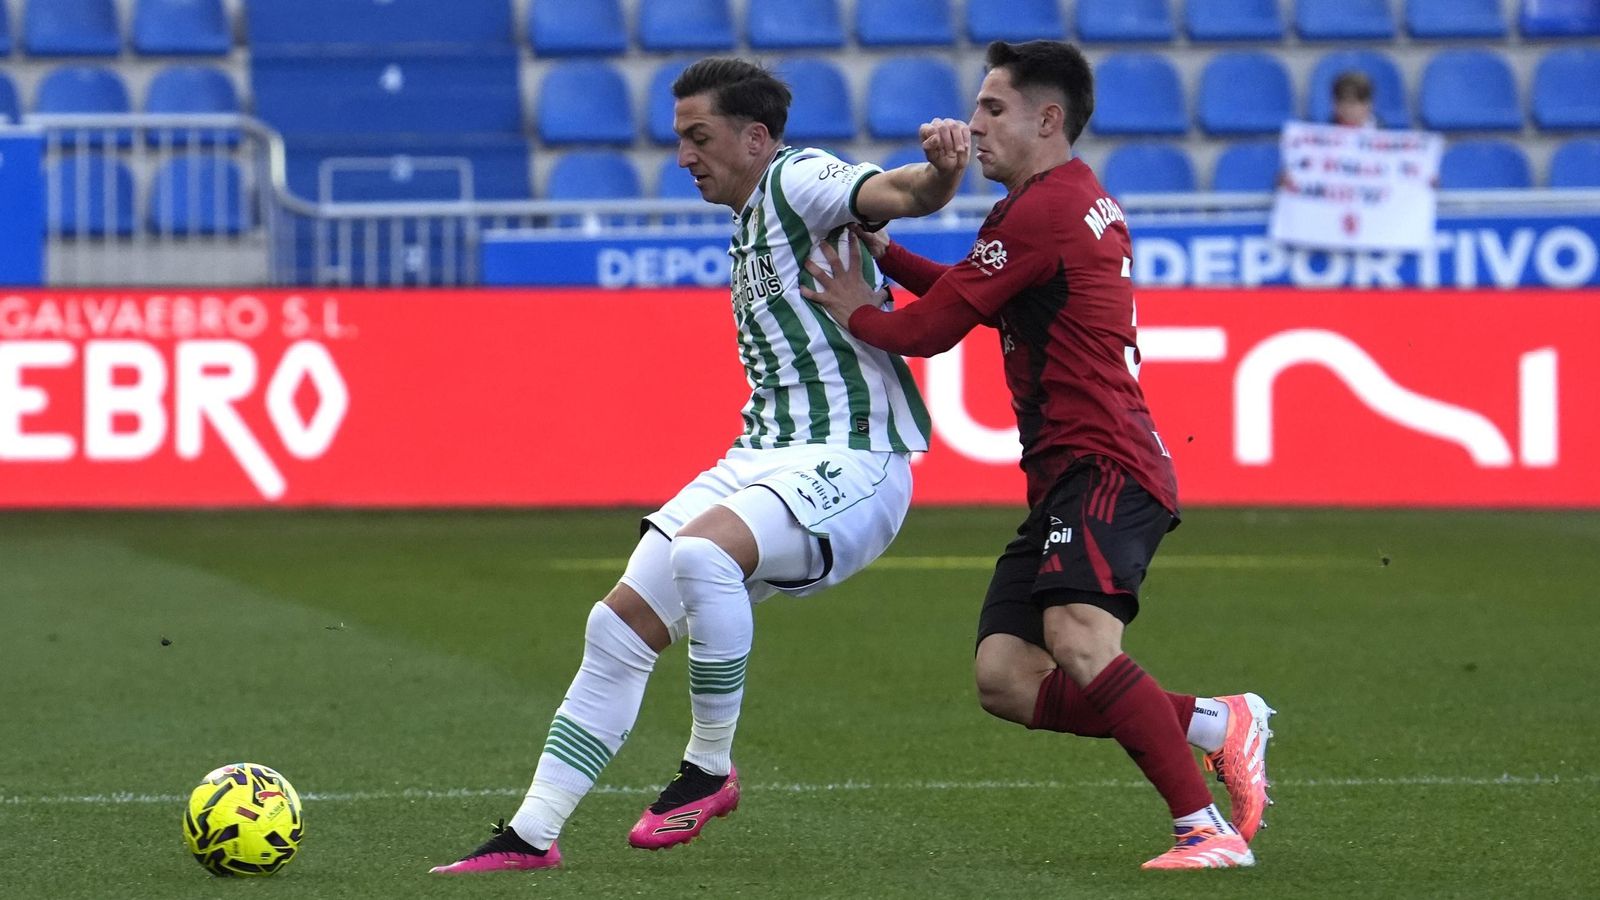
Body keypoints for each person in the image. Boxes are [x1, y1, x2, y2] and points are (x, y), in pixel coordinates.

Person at [429, 57, 972, 874]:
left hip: (854, 458)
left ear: (755, 138)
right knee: (616, 626)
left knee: (702, 553)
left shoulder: (797, 179)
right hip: (762, 457)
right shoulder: (751, 216)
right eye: (680, 138)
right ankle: (531, 835)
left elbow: (898, 196)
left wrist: (939, 171)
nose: (684, 155)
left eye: (699, 137)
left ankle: (709, 769)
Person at [800, 40, 1275, 871]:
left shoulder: (1042, 212)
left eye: (992, 109)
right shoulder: (1064, 202)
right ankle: (1212, 723)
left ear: (1047, 119)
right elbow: (971, 294)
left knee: (1082, 642)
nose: (973, 125)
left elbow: (930, 330)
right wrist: (884, 257)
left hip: (1104, 465)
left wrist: (852, 308)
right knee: (1006, 678)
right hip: (1070, 476)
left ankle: (1204, 830)